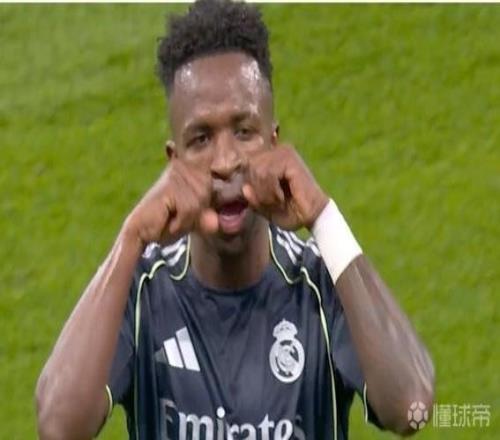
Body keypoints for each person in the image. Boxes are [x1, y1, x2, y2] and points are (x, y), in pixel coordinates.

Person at [35, 1, 435, 439]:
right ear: (174, 161)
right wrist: (131, 238)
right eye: (201, 139)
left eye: (244, 132)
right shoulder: (142, 291)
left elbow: (411, 409)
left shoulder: (322, 284)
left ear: (274, 143)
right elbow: (58, 426)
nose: (225, 162)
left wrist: (323, 217)